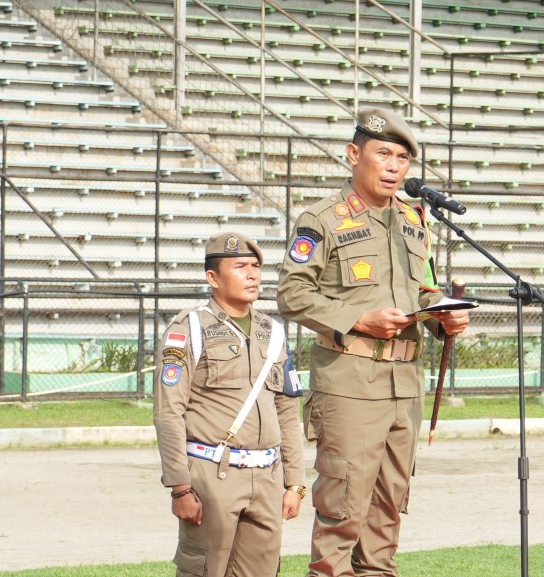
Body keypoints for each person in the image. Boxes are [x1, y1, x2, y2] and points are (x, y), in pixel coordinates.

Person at [277, 107, 470, 577]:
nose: (393, 166)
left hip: (404, 384)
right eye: (383, 153)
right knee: (342, 515)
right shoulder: (321, 219)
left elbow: (420, 289)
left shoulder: (413, 219)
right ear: (353, 155)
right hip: (349, 382)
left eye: (403, 158)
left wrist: (441, 315)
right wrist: (358, 319)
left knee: (386, 518)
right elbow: (291, 292)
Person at [154, 231, 306, 577]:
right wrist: (180, 487)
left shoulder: (273, 331)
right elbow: (169, 412)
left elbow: (287, 410)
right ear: (213, 278)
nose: (252, 275)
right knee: (205, 570)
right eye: (240, 267)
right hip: (212, 475)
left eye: (255, 267)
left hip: (267, 477)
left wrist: (295, 482)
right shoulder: (189, 328)